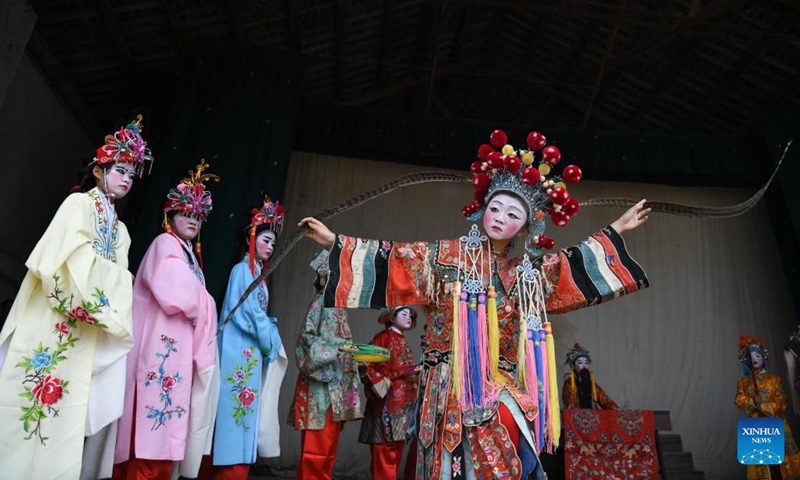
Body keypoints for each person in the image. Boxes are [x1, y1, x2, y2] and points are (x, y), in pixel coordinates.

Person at [300, 129, 650, 478]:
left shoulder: (527, 274)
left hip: (501, 381)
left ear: (527, 226)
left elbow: (570, 267)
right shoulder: (446, 257)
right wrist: (335, 242)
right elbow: (396, 260)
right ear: (482, 209)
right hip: (448, 381)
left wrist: (615, 231)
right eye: (495, 207)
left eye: (513, 214)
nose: (500, 217)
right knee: (450, 463)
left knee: (506, 446)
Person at [0, 116, 154, 479]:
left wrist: (115, 280)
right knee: (28, 402)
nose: (126, 179)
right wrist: (118, 280)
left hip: (84, 330)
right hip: (49, 320)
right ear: (99, 169)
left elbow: (116, 275)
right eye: (120, 169)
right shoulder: (77, 205)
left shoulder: (121, 230)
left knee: (65, 414)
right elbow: (62, 262)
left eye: (132, 174)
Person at [113, 160, 220, 479]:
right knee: (149, 438)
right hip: (158, 352)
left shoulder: (187, 254)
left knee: (164, 434)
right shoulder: (165, 244)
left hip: (175, 356)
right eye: (186, 213)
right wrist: (209, 302)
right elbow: (179, 296)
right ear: (169, 215)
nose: (192, 220)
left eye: (197, 216)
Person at [212, 197, 288, 479]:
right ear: (250, 237)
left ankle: (237, 467)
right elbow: (249, 315)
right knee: (236, 410)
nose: (270, 246)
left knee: (244, 410)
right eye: (265, 239)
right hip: (238, 348)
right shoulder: (242, 270)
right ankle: (229, 470)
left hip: (249, 351)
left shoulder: (257, 274)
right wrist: (271, 337)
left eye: (272, 242)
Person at [289, 250, 363, 480]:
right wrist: (335, 349)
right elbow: (305, 339)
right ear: (324, 277)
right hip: (319, 386)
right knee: (316, 449)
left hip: (334, 386)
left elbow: (342, 344)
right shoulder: (320, 302)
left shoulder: (338, 308)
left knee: (328, 449)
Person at [359, 306, 420, 480]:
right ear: (391, 317)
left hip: (403, 405)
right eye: (404, 314)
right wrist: (382, 383)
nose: (408, 317)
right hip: (386, 404)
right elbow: (365, 364)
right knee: (384, 453)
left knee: (395, 452)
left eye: (410, 314)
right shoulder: (382, 338)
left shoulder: (402, 339)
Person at [735, 335, 800, 479]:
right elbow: (739, 400)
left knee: (779, 462)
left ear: (763, 357)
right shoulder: (743, 381)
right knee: (761, 461)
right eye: (751, 356)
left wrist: (764, 405)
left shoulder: (774, 379)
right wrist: (752, 401)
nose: (754, 358)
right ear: (746, 360)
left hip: (774, 421)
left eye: (758, 355)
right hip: (755, 424)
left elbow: (782, 400)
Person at [562, 343, 618, 410]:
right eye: (580, 363)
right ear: (573, 366)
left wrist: (615, 408)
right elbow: (570, 403)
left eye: (586, 363)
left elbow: (605, 400)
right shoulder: (570, 384)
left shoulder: (593, 386)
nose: (584, 366)